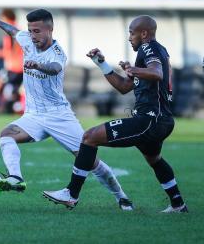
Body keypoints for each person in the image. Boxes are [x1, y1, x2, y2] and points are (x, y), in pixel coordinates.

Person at [0, 8, 133, 210]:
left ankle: (122, 197)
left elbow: (55, 67)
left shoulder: (57, 53)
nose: (33, 35)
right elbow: (14, 32)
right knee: (6, 135)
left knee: (90, 162)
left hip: (59, 116)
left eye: (37, 31)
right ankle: (15, 178)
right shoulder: (27, 39)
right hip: (34, 115)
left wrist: (38, 66)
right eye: (31, 30)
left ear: (50, 29)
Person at [43, 15, 188, 213]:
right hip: (160, 120)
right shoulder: (157, 51)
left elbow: (157, 73)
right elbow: (124, 87)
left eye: (132, 32)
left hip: (149, 120)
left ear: (144, 33)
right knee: (154, 159)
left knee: (89, 137)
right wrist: (102, 64)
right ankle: (178, 204)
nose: (129, 37)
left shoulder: (149, 47)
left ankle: (71, 194)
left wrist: (132, 68)